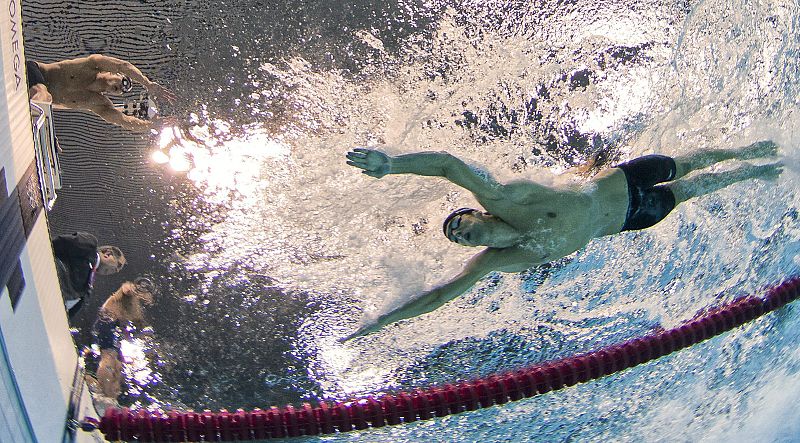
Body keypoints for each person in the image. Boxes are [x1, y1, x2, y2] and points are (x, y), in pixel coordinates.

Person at [343, 140, 782, 340]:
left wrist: (391, 164)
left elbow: (446, 165)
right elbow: (440, 295)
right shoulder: (500, 260)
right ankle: (760, 171)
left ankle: (748, 151)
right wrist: (383, 321)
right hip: (631, 218)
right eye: (456, 238)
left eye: (457, 222)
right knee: (691, 191)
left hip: (622, 180)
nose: (458, 232)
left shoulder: (506, 197)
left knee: (687, 166)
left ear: (479, 212)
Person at [26, 55, 176, 131]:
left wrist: (150, 125)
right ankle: (29, 123)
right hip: (34, 72)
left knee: (45, 99)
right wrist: (147, 83)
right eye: (123, 82)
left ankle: (32, 124)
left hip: (36, 102)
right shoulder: (92, 65)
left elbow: (123, 120)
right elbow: (124, 65)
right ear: (114, 72)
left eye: (123, 90)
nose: (121, 88)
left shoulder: (98, 103)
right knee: (44, 94)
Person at [84, 278, 155, 414]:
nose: (148, 300)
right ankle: (104, 393)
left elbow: (129, 324)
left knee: (119, 365)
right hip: (107, 322)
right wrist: (131, 290)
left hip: (110, 324)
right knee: (109, 357)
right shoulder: (129, 291)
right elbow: (126, 288)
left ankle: (100, 387)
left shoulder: (130, 307)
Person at [52, 231, 126, 318]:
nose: (114, 271)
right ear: (107, 253)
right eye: (116, 267)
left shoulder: (88, 289)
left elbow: (68, 315)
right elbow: (57, 243)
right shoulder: (89, 244)